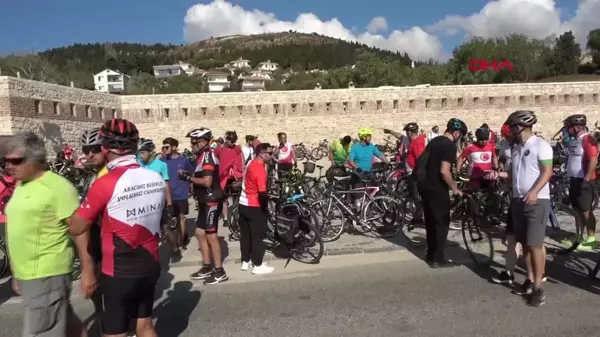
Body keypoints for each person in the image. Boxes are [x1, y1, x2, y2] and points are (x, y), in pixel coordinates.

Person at [68, 118, 164, 336]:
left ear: (104, 147)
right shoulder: (155, 176)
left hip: (117, 272)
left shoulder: (104, 182)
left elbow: (76, 227)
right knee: (145, 326)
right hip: (150, 265)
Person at [4, 132, 87, 337]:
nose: (8, 166)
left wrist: (88, 268)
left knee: (41, 331)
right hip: (29, 273)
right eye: (4, 161)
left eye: (15, 161)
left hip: (47, 271)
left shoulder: (57, 188)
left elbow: (80, 230)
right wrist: (17, 274)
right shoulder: (21, 184)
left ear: (35, 160)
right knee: (65, 321)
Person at [486, 110, 552, 307]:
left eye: (512, 127)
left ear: (519, 127)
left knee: (535, 245)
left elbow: (547, 172)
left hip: (537, 201)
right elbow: (515, 174)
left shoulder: (541, 145)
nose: (510, 131)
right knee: (524, 244)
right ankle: (530, 281)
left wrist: (534, 191)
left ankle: (539, 287)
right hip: (517, 200)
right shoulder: (516, 148)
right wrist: (499, 176)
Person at [179, 127, 228, 285]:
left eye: (194, 141)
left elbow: (207, 182)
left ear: (204, 142)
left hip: (211, 199)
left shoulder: (207, 157)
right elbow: (201, 176)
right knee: (199, 233)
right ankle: (207, 266)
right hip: (204, 200)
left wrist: (188, 178)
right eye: (191, 142)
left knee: (211, 235)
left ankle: (219, 271)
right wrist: (189, 175)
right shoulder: (201, 156)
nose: (192, 144)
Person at [416, 118, 468, 268]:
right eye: (461, 136)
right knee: (442, 223)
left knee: (431, 222)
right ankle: (438, 259)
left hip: (425, 186)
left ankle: (430, 255)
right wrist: (455, 189)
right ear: (457, 133)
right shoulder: (448, 146)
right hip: (437, 188)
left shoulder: (435, 141)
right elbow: (444, 172)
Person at [76, 128, 109, 332]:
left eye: (95, 149)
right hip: (96, 239)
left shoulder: (110, 174)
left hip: (109, 242)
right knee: (99, 293)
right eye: (86, 149)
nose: (89, 154)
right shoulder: (94, 175)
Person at [238, 143, 275, 274]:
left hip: (242, 203)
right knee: (257, 237)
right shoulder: (260, 169)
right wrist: (267, 208)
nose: (271, 156)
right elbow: (262, 193)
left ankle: (245, 262)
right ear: (262, 154)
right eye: (269, 153)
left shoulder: (250, 163)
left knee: (245, 236)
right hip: (254, 206)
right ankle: (258, 266)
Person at [138, 138, 179, 256]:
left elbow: (166, 184)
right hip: (144, 204)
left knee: (166, 229)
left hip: (159, 203)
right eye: (139, 152)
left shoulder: (161, 165)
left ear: (150, 152)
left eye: (143, 152)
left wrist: (169, 203)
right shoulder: (138, 165)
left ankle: (176, 248)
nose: (140, 155)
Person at [562, 114, 598, 250]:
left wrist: (587, 179)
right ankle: (579, 237)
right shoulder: (575, 140)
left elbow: (593, 159)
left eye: (568, 127)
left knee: (585, 210)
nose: (567, 130)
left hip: (584, 180)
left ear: (577, 127)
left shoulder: (587, 139)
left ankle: (591, 238)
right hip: (574, 179)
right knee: (576, 209)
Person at [161, 137, 194, 250]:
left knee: (181, 218)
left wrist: (191, 187)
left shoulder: (183, 160)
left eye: (167, 147)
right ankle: (174, 240)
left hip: (181, 194)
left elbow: (191, 173)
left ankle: (182, 241)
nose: (164, 149)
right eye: (163, 147)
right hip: (168, 195)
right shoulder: (162, 161)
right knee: (170, 220)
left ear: (174, 147)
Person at [214, 131, 244, 228]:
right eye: (230, 140)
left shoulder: (237, 149)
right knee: (224, 199)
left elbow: (241, 161)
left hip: (235, 176)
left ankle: (236, 217)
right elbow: (216, 155)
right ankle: (226, 219)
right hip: (224, 177)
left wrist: (242, 173)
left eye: (233, 141)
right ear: (226, 140)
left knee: (236, 198)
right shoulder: (220, 149)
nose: (232, 142)